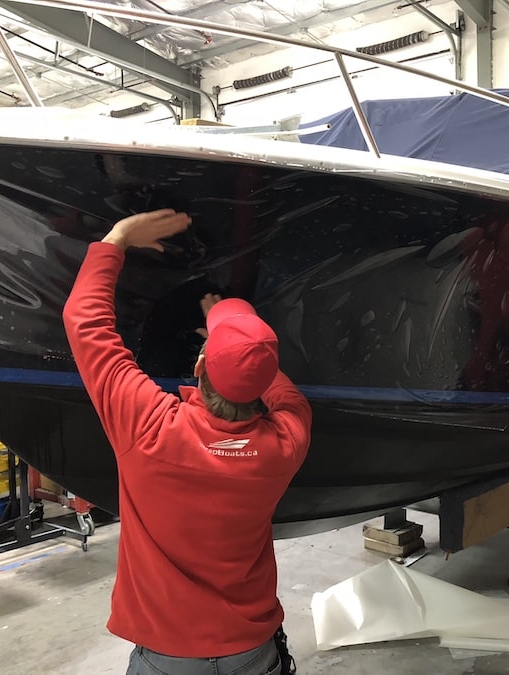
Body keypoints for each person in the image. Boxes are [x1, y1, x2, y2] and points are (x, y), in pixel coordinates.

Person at [63, 209, 312, 675]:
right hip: (254, 654)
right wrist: (238, 344)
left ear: (198, 366)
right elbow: (282, 390)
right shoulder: (285, 442)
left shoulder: (148, 426)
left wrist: (117, 237)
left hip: (166, 660)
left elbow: (85, 321)